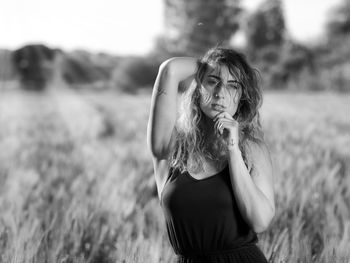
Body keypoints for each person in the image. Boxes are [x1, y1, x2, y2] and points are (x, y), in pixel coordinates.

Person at [147, 47, 275, 263]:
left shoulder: (252, 149)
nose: (220, 92)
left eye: (233, 86)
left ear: (242, 97)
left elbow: (260, 221)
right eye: (212, 81)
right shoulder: (172, 147)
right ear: (197, 88)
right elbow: (170, 69)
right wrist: (211, 64)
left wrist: (233, 149)